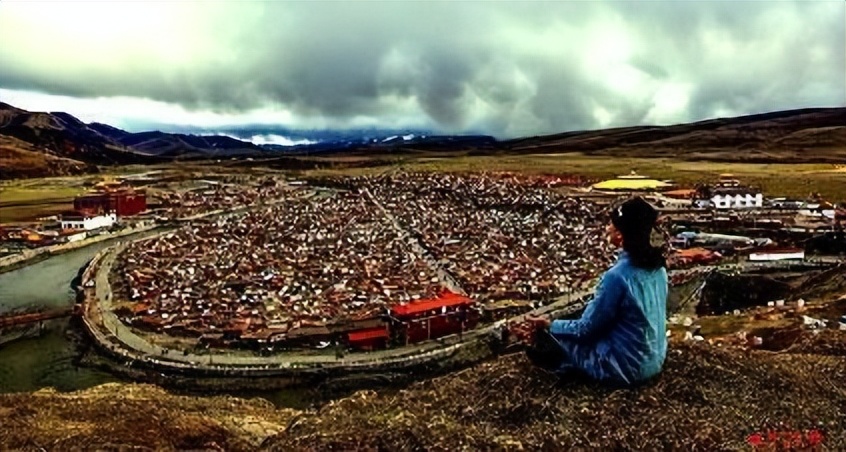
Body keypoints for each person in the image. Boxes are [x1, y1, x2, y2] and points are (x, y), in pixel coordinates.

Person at [526, 196, 668, 387]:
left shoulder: (617, 277)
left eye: (612, 224)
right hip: (653, 361)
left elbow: (585, 329)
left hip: (627, 370)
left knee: (550, 340)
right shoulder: (659, 269)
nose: (607, 227)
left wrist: (549, 325)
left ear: (621, 235)